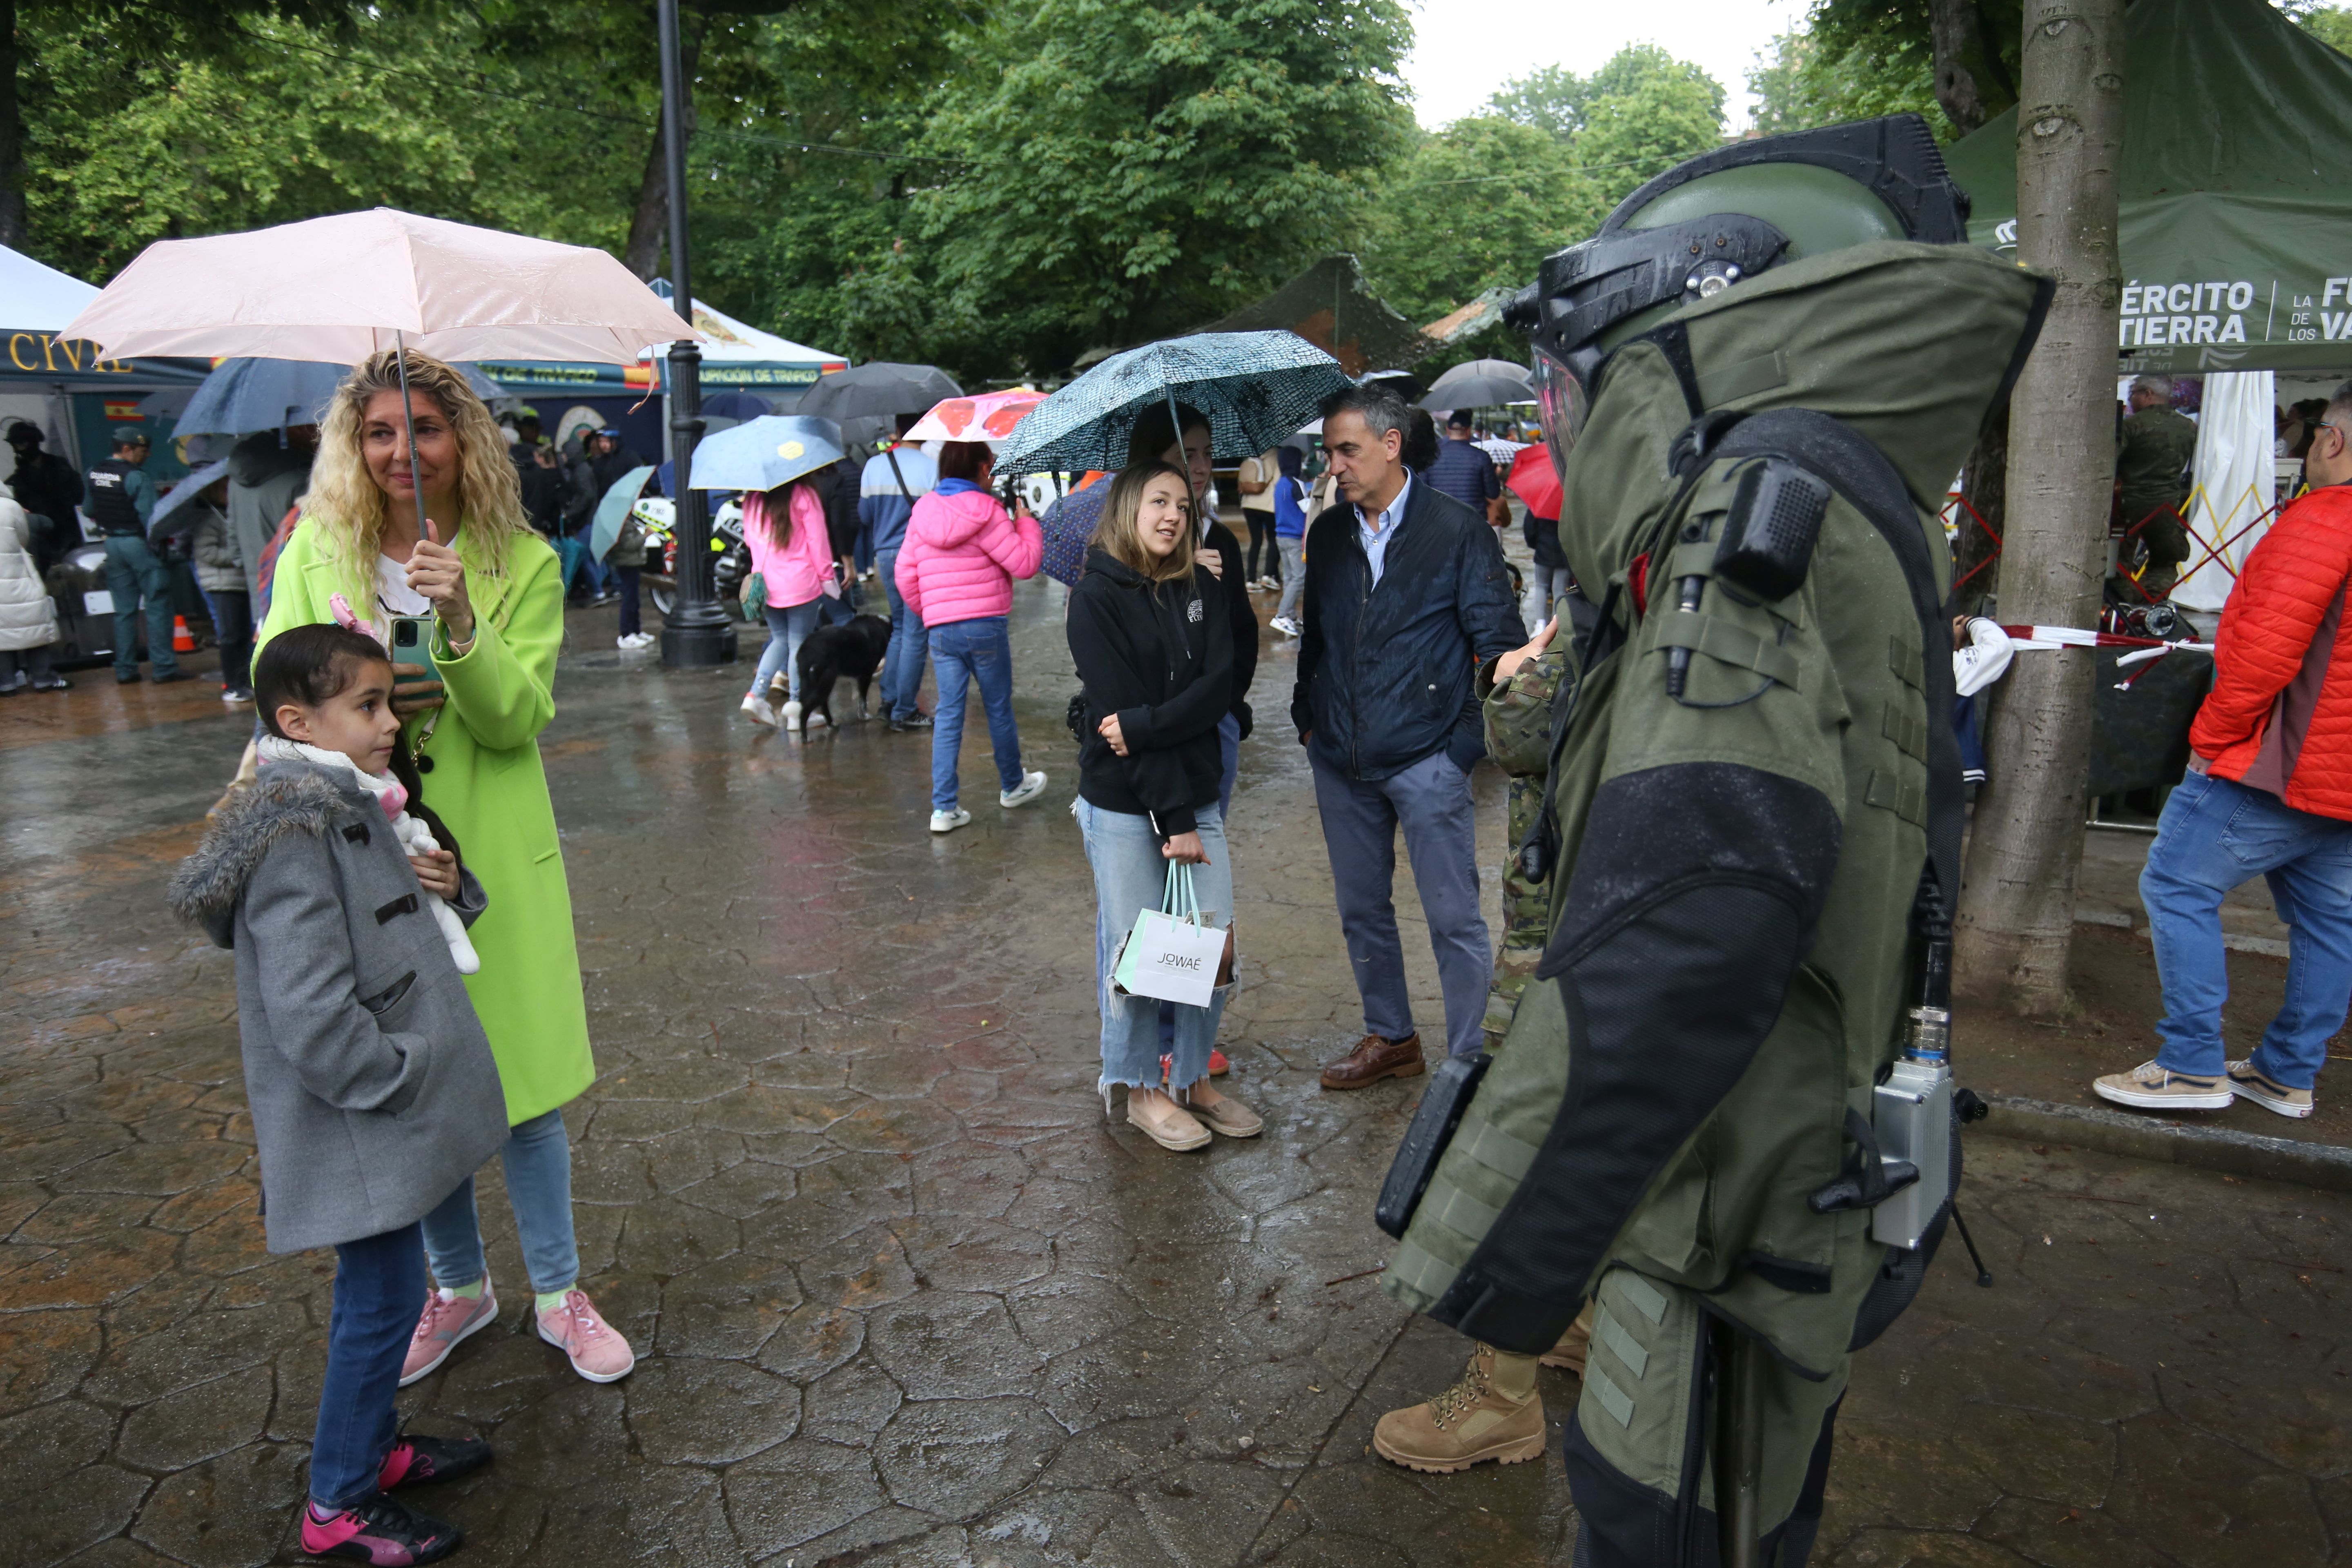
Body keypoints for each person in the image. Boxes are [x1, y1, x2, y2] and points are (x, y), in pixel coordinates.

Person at [254, 347, 633, 1390]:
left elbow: (517, 718)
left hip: (494, 854)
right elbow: (276, 686)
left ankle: (559, 1291)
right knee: (419, 1081)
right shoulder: (315, 552)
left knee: (521, 1087)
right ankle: (458, 1287)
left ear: (459, 442)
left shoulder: (524, 562)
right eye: (378, 432)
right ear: (354, 443)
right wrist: (354, 674)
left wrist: (460, 618)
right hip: (368, 856)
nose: (397, 451)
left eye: (419, 429)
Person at [167, 622, 509, 1565]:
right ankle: (339, 1499)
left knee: (391, 1294)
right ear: (297, 720)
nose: (389, 721)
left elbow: (394, 919)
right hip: (367, 1113)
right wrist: (393, 1075)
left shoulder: (357, 797)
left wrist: (445, 882)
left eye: (388, 701)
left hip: (388, 1109)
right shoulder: (295, 824)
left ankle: (371, 1448)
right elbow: (310, 1008)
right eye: (366, 704)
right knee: (381, 1296)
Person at [2094, 379, 2352, 1122]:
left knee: (2177, 885)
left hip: (2278, 761)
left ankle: (2190, 1064)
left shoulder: (2321, 522)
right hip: (2333, 774)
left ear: (2331, 440)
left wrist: (2213, 741)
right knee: (2330, 921)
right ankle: (2285, 1072)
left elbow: (2264, 653)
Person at [1292, 384, 1524, 1089]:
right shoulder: (1330, 533)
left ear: (1392, 446)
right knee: (1363, 911)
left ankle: (1467, 1064)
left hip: (1427, 760)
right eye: (1330, 452)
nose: (1335, 466)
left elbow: (1501, 649)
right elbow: (1319, 639)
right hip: (1341, 758)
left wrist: (1459, 750)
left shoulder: (1458, 531)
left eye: (1347, 450)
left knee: (1454, 919)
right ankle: (1392, 1038)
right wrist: (1310, 718)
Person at [1068, 461, 1262, 1151]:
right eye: (1159, 501)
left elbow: (1218, 690)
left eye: (1185, 503)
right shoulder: (1095, 597)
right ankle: (1141, 1087)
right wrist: (1172, 819)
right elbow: (1114, 713)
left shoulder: (1199, 584)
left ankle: (1192, 1078)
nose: (1174, 515)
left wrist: (1151, 724)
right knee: (1141, 953)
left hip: (1196, 787)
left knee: (1210, 946)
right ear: (1129, 507)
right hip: (1126, 804)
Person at [894, 440, 1047, 834]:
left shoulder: (922, 513)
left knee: (949, 714)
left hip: (942, 630)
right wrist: (1026, 523)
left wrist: (931, 611)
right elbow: (1025, 563)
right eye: (992, 465)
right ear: (982, 468)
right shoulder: (989, 512)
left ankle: (944, 809)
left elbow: (904, 576)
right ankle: (1013, 785)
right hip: (985, 626)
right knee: (997, 708)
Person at [1126, 405, 1257, 813]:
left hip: (1215, 724)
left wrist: (1226, 705)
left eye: (1206, 453)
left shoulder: (1219, 539)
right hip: (1146, 726)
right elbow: (1120, 641)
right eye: (1185, 456)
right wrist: (1181, 579)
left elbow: (1241, 635)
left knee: (1205, 847)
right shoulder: (1121, 551)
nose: (1199, 468)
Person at [737, 469, 836, 732]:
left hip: (765, 584)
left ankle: (756, 695)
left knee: (780, 639)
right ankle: (797, 706)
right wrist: (827, 578)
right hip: (800, 583)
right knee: (798, 644)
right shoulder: (804, 495)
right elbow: (818, 541)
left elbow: (750, 540)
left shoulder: (752, 500)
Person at [89, 425, 189, 685]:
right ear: (127, 449)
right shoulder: (136, 477)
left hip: (111, 544)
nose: (147, 456)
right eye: (143, 451)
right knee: (158, 605)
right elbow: (151, 520)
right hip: (139, 545)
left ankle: (125, 670)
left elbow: (89, 507)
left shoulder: (94, 473)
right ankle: (164, 668)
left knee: (123, 610)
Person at [858, 414, 937, 731]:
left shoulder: (874, 466)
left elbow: (864, 516)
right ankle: (905, 710)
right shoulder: (930, 468)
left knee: (901, 628)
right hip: (917, 556)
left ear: (899, 430)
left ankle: (889, 699)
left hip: (885, 556)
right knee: (917, 633)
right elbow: (934, 518)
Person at [2116, 373, 2199, 600]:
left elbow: (2111, 460)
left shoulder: (2132, 425)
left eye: (2133, 394)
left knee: (2118, 562)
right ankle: (2151, 601)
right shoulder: (2188, 427)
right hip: (2167, 504)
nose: (2131, 400)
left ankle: (2123, 607)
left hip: (2128, 504)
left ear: (2147, 394)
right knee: (2166, 558)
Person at [189, 477, 255, 704]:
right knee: (231, 636)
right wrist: (238, 558)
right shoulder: (210, 520)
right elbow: (206, 552)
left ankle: (244, 682)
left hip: (239, 583)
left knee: (243, 635)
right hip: (222, 584)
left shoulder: (231, 516)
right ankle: (233, 685)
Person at [0, 480, 68, 692]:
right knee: (33, 625)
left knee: (2, 632)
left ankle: (7, 683)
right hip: (17, 577)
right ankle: (43, 678)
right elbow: (24, 538)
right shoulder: (10, 507)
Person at [5, 421, 84, 582]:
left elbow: (77, 495)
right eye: (15, 445)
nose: (18, 449)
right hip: (40, 535)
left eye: (22, 443)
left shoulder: (59, 466)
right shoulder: (21, 475)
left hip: (67, 530)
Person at [1423, 411, 1503, 526]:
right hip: (1474, 521)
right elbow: (1493, 493)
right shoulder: (1481, 457)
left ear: (1447, 430)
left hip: (1441, 522)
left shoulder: (1432, 456)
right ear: (1468, 431)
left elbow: (1424, 490)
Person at [1269, 445, 1309, 637]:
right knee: (1299, 578)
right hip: (1295, 538)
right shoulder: (1296, 484)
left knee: (1289, 577)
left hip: (1280, 536)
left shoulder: (1280, 484)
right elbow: (1307, 508)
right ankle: (1282, 615)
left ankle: (1291, 616)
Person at [1237, 447, 1281, 591]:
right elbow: (1278, 480)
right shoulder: (1275, 455)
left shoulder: (1250, 454)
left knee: (1256, 542)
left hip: (1249, 504)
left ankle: (1250, 579)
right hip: (1268, 505)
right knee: (1273, 539)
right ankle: (1268, 575)